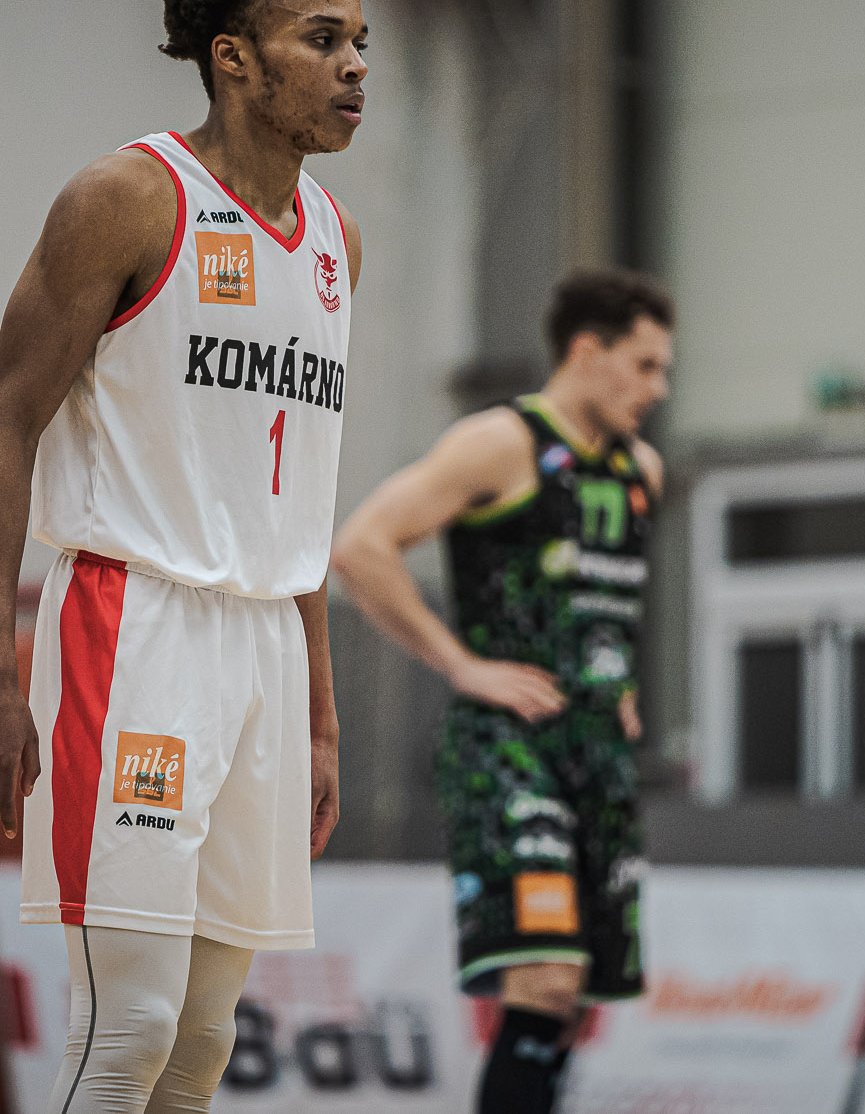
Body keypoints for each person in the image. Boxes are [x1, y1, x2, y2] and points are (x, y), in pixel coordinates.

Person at [0, 0, 367, 1113]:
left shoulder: (337, 241)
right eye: (322, 41)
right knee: (125, 1025)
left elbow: (294, 499)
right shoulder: (129, 197)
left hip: (266, 646)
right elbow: (1, 420)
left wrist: (320, 716)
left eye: (360, 44)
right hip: (134, 629)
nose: (354, 67)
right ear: (233, 58)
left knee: (201, 1040)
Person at [332, 270, 673, 1114]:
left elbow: (608, 598)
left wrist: (621, 687)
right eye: (644, 365)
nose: (658, 388)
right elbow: (362, 545)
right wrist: (460, 663)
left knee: (573, 999)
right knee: (544, 976)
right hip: (509, 746)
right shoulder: (499, 441)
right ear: (587, 351)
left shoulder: (642, 468)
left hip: (598, 750)